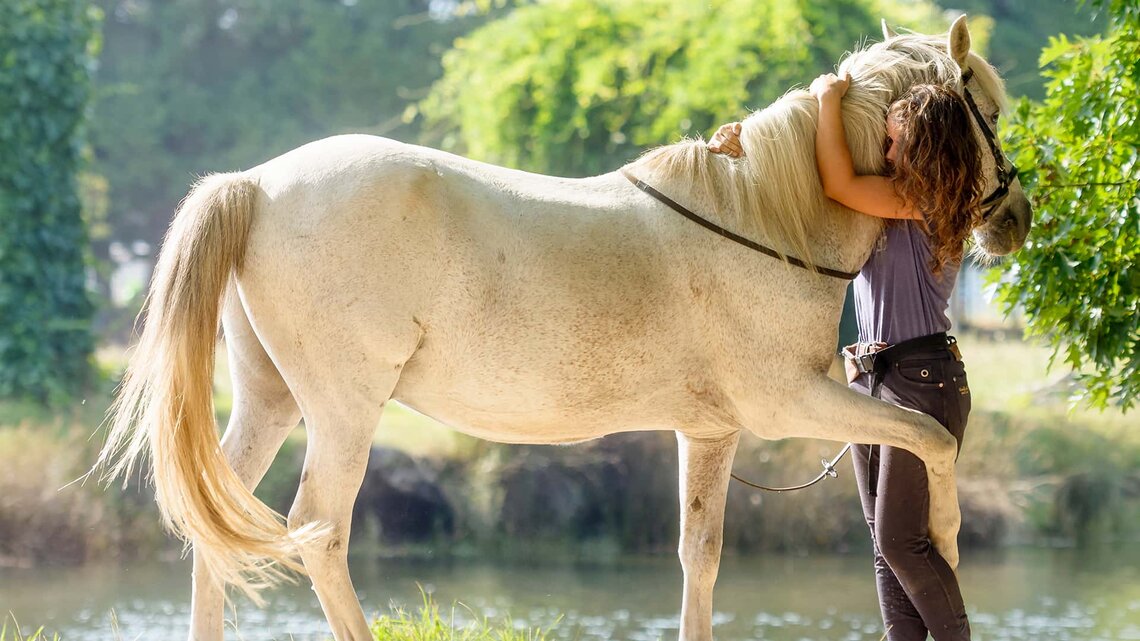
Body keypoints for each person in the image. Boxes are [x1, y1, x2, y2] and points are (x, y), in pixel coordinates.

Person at [709, 73, 982, 641]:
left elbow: (836, 181)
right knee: (886, 546)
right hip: (875, 379)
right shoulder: (889, 204)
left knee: (901, 542)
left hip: (918, 379)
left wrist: (828, 98)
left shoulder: (925, 199)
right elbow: (818, 188)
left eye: (891, 140)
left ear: (923, 144)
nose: (883, 151)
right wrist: (747, 150)